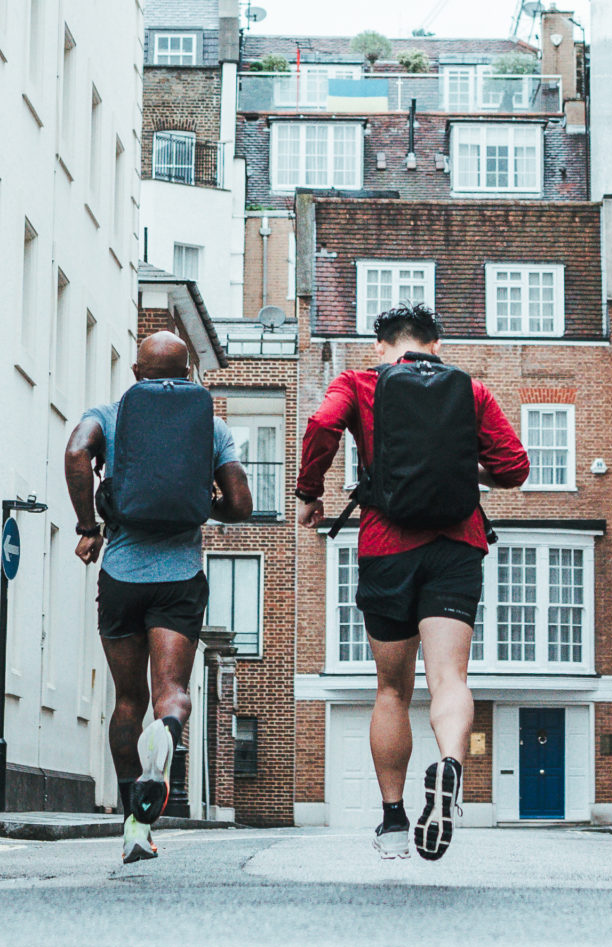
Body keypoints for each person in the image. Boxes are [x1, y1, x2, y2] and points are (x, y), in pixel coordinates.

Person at [294, 301, 529, 861]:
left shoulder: (359, 381)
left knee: (391, 689)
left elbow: (322, 424)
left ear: (383, 346)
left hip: (387, 546)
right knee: (450, 678)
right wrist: (463, 466)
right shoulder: (469, 391)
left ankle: (395, 821)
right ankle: (449, 764)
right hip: (456, 547)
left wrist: (310, 493)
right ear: (436, 345)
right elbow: (515, 467)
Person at [64, 331, 251, 865]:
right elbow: (240, 505)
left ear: (138, 373)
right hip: (180, 575)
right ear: (190, 370)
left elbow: (77, 453)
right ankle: (168, 732)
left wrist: (89, 524)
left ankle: (132, 823)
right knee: (171, 692)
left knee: (128, 700)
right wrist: (198, 503)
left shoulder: (110, 413)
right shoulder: (210, 426)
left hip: (122, 575)